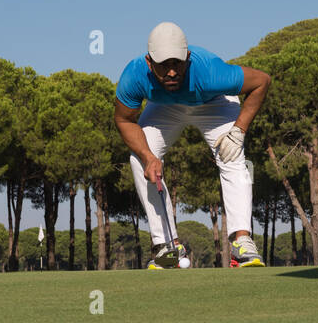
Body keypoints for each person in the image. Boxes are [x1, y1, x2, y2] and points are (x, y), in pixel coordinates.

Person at [113, 21, 272, 268]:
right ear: (148, 62)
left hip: (213, 102)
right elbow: (124, 119)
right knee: (138, 158)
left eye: (177, 63)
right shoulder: (134, 75)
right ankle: (167, 246)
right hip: (165, 107)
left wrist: (239, 130)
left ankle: (242, 242)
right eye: (162, 65)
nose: (172, 72)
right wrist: (148, 157)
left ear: (187, 57)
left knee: (233, 156)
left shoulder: (211, 72)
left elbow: (262, 81)